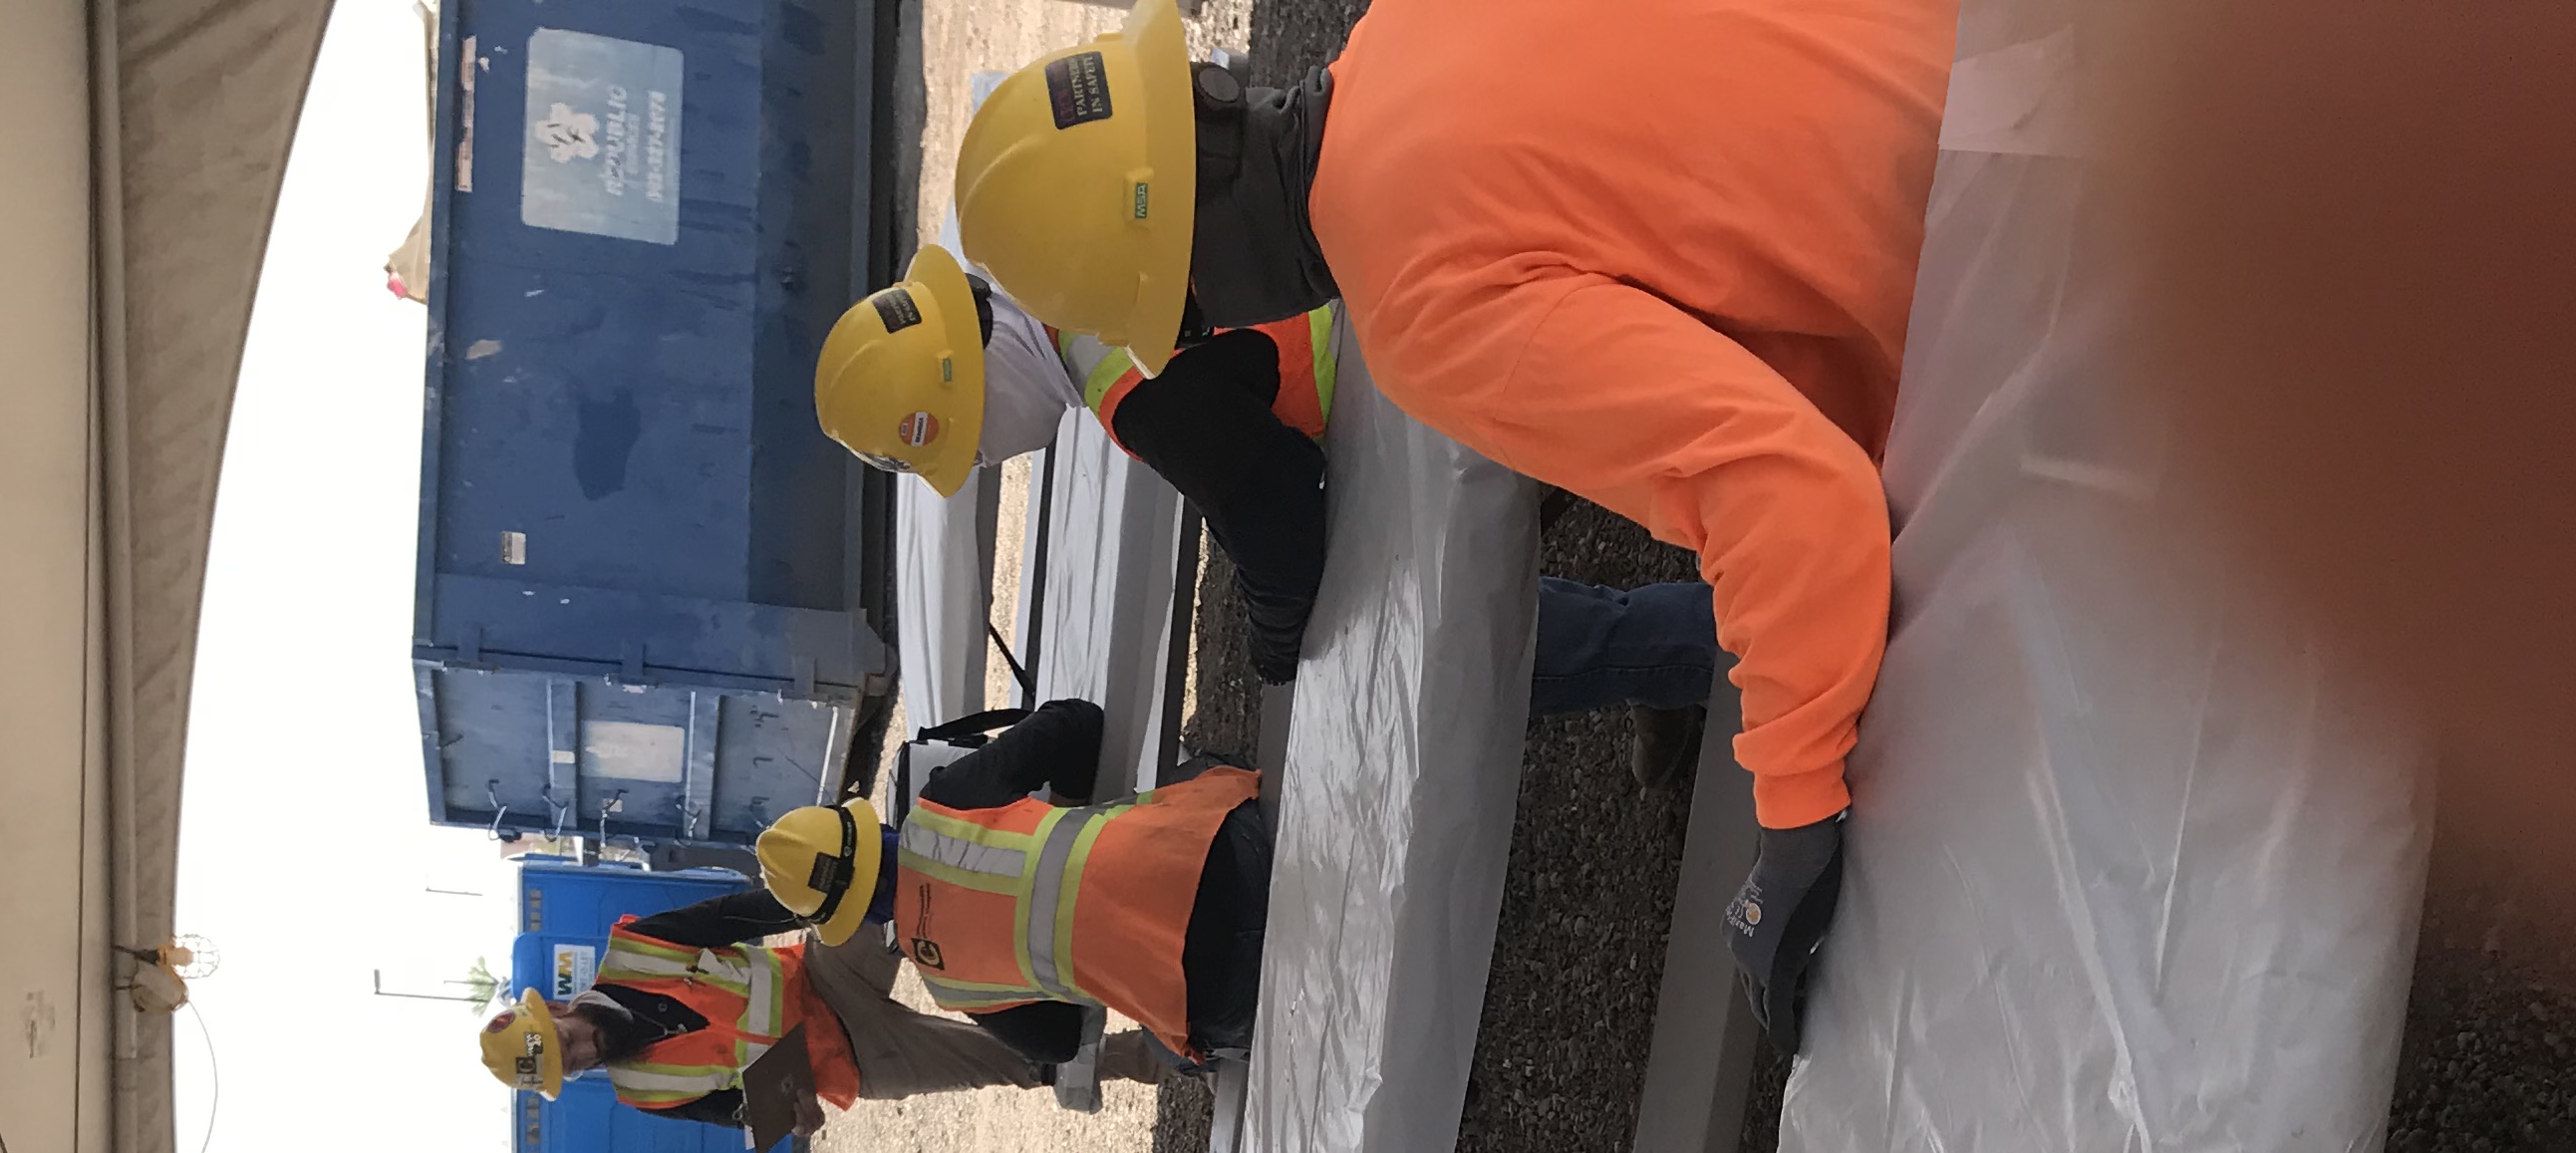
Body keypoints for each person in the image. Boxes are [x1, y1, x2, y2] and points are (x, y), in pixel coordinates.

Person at [950, 0, 1953, 1049]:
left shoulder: (1419, 312)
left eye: (1187, 323)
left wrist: (1794, 827)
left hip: (1993, 273)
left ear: (1195, 292)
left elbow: (1787, 498)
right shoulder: (1408, 22)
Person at [814, 242, 1721, 780]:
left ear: (977, 383)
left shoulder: (1134, 387)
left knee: (1453, 643)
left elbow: (1279, 525)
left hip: (1403, 375)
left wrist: (1275, 644)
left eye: (971, 443)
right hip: (1401, 277)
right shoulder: (1066, 259)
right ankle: (1661, 645)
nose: (990, 458)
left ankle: (1730, 648)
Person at [754, 697, 1266, 1065]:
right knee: (1202, 779)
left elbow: (1058, 1044)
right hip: (1230, 852)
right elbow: (1077, 722)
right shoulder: (947, 801)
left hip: (1221, 991)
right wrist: (1068, 817)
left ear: (859, 918)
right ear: (872, 828)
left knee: (1169, 1047)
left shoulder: (949, 982)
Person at [470, 884, 1163, 1130]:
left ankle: (1072, 908)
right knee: (1013, 1066)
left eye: (567, 1040)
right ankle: (1148, 1056)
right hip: (848, 1061)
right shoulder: (642, 1093)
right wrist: (792, 1120)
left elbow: (742, 915)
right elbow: (743, 1115)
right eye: (572, 1064)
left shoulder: (640, 948)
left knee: (907, 887)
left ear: (559, 1007)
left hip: (824, 975)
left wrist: (830, 888)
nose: (584, 1052)